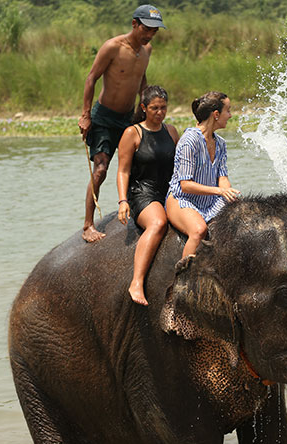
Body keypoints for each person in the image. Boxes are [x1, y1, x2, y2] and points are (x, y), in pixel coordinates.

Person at [78, 4, 166, 243]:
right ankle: (87, 225)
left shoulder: (146, 50)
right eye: (146, 29)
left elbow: (141, 80)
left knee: (139, 164)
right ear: (134, 24)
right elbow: (91, 78)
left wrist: (144, 108)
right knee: (101, 170)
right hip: (104, 117)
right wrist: (86, 114)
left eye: (154, 31)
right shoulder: (113, 47)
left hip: (129, 117)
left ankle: (135, 207)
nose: (149, 35)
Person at [117, 85, 179, 306]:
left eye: (163, 107)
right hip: (142, 192)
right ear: (144, 107)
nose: (160, 112)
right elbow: (123, 170)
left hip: (169, 191)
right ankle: (136, 282)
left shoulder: (171, 131)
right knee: (158, 223)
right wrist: (123, 200)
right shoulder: (132, 133)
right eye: (154, 108)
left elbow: (180, 166)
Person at [166, 91, 240, 259]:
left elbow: (223, 178)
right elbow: (185, 185)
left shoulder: (220, 143)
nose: (230, 115)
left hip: (210, 201)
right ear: (216, 114)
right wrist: (220, 192)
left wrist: (229, 193)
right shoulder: (189, 140)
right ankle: (184, 279)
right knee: (199, 230)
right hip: (182, 200)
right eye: (228, 110)